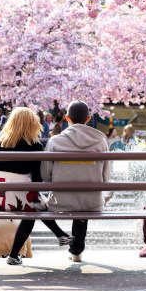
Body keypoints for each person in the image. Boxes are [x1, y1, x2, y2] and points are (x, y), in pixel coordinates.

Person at [0, 107, 71, 266]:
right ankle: (15, 255)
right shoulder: (34, 145)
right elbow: (36, 179)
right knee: (34, 207)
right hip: (19, 197)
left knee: (34, 205)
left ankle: (60, 235)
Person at [40, 100, 110, 264]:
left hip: (61, 201)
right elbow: (106, 177)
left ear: (67, 118)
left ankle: (71, 245)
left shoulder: (55, 141)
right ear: (88, 118)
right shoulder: (100, 141)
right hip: (91, 202)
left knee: (40, 202)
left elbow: (45, 175)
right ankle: (77, 250)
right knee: (83, 201)